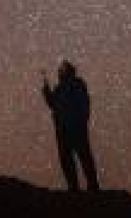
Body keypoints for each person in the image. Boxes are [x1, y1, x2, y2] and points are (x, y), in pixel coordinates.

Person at [41, 60, 99, 191]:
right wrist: (46, 91)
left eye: (62, 70)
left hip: (75, 126)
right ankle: (74, 187)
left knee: (83, 156)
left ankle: (92, 185)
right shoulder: (60, 88)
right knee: (67, 158)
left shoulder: (76, 84)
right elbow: (53, 104)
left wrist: (82, 121)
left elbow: (84, 104)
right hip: (63, 127)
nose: (59, 72)